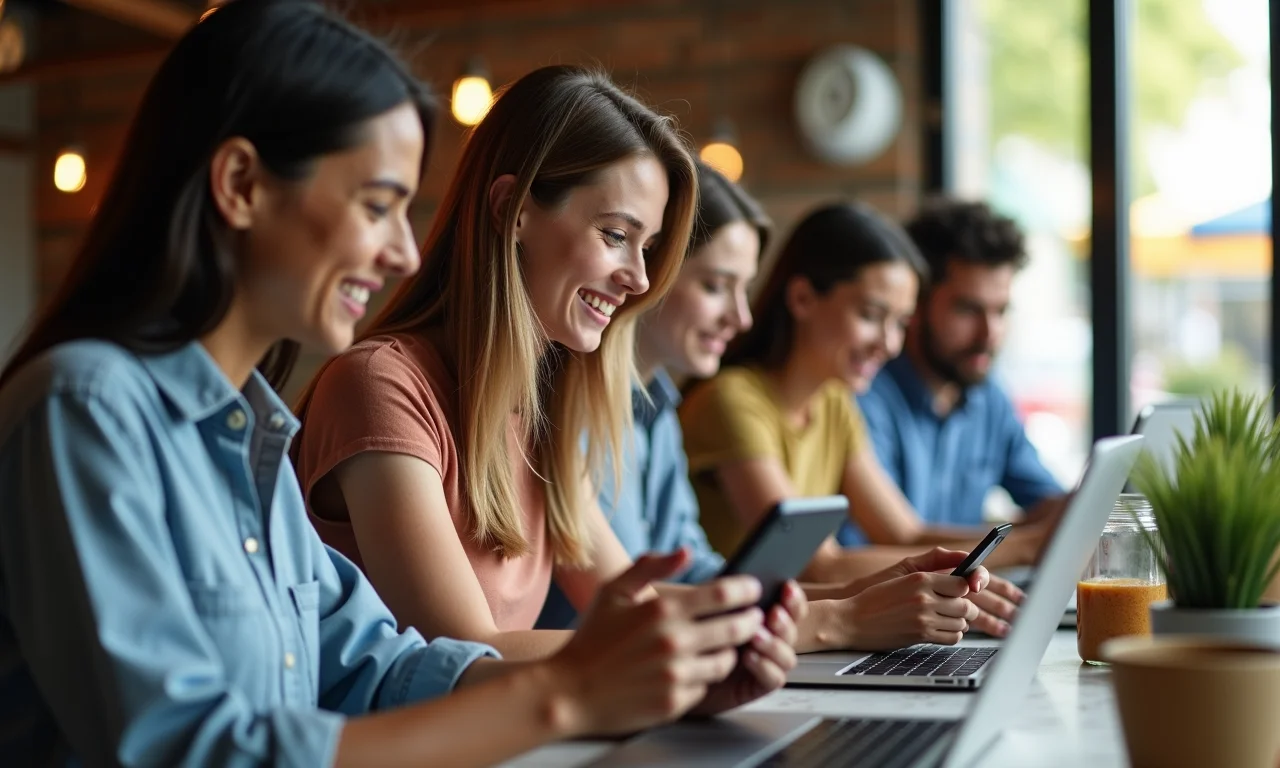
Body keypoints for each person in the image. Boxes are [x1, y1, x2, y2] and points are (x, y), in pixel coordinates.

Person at [0, 4, 798, 765]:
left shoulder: (255, 433)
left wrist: (661, 670)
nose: (404, 254)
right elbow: (191, 749)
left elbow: (376, 668)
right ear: (241, 184)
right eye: (378, 206)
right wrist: (570, 693)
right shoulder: (84, 410)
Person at [290, 62, 804, 681]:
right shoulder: (380, 386)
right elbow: (463, 653)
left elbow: (632, 606)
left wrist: (829, 618)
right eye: (615, 234)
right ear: (513, 209)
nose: (639, 279)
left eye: (647, 248)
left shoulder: (548, 408)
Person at [539, 163, 1017, 645]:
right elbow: (624, 609)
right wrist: (845, 613)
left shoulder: (657, 410)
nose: (740, 318)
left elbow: (698, 575)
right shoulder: (587, 410)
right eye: (713, 285)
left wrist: (860, 593)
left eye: (742, 290)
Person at [679, 202, 1054, 595]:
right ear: (803, 298)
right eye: (872, 316)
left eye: (899, 323)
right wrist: (1032, 545)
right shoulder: (730, 401)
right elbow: (818, 567)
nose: (890, 345)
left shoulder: (833, 403)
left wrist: (1019, 546)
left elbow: (905, 533)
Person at [857, 199, 1067, 531]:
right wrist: (1025, 541)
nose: (990, 334)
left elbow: (1047, 499)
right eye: (968, 310)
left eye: (1001, 311)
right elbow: (894, 545)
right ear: (914, 304)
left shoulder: (989, 397)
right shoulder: (864, 397)